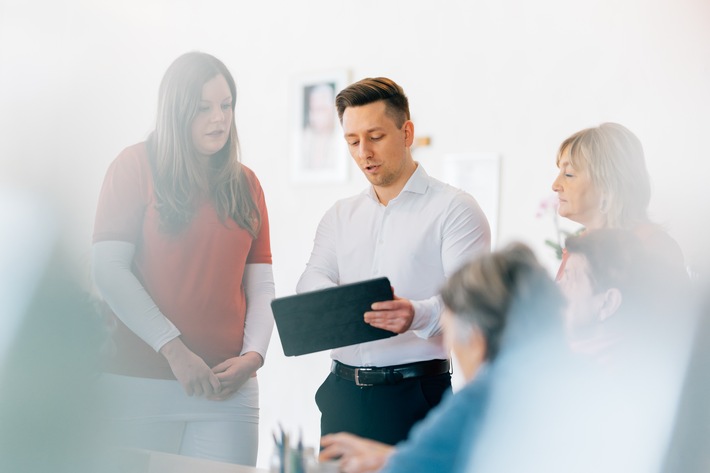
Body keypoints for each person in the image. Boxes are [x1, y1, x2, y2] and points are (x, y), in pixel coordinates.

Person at [91, 52, 274, 466]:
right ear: (176, 112)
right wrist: (174, 351)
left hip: (229, 391)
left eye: (226, 106)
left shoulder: (247, 184)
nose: (219, 119)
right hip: (139, 382)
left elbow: (261, 286)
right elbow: (108, 270)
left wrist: (253, 358)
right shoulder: (133, 166)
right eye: (203, 108)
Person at [296, 77, 491, 445]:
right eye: (352, 141)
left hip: (416, 396)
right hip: (342, 395)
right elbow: (311, 279)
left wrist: (414, 314)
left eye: (375, 137)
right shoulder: (339, 216)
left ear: (406, 132)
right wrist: (345, 305)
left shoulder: (455, 210)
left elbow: (471, 304)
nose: (363, 152)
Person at [318, 243, 567, 473]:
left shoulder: (482, 398)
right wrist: (392, 456)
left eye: (451, 334)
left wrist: (394, 461)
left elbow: (412, 467)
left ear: (477, 339)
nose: (450, 346)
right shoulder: (562, 385)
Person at [551, 122, 686, 280]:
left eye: (568, 174)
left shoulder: (653, 248)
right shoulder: (578, 249)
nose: (555, 185)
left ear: (608, 185)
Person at [300, 83, 341, 171]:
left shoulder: (340, 140)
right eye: (312, 109)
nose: (314, 116)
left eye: (320, 109)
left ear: (332, 110)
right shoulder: (305, 138)